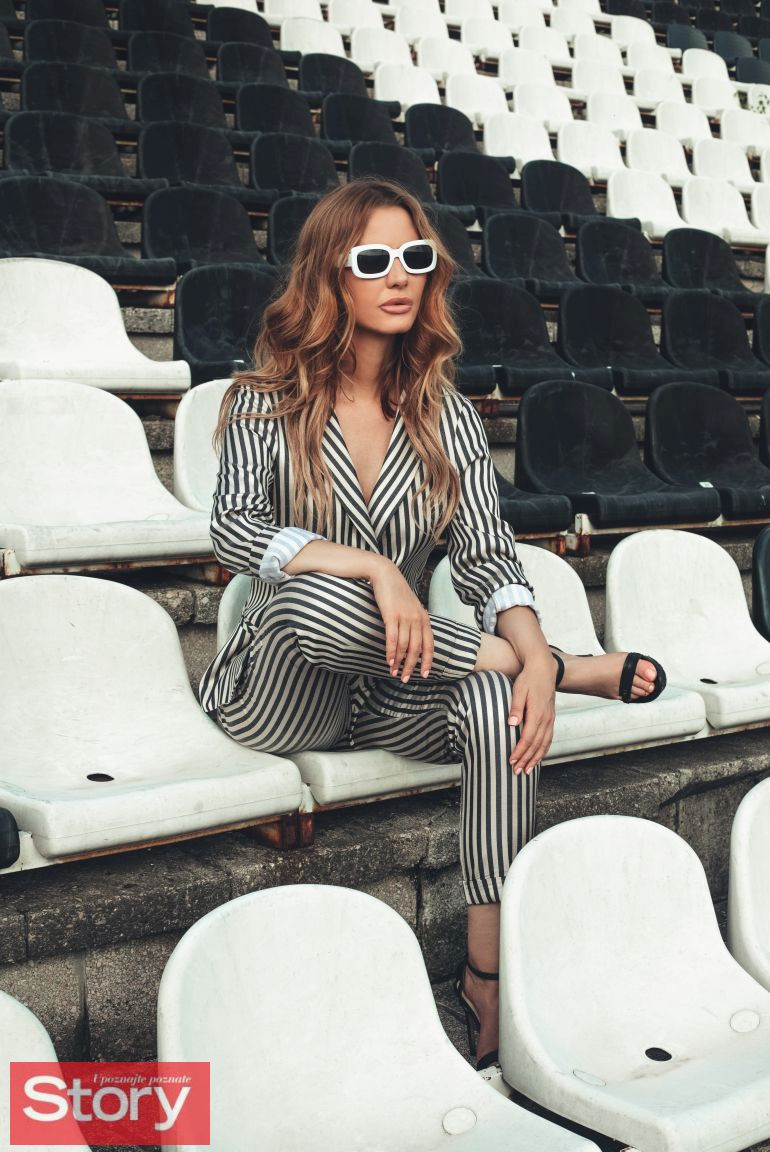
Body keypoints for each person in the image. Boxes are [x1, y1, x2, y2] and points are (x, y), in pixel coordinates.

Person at [199, 177, 666, 1076]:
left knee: (495, 704)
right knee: (314, 594)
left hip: (394, 682)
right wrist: (375, 567)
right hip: (283, 689)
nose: (399, 276)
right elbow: (234, 533)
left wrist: (524, 652)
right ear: (331, 274)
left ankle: (487, 980)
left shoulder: (444, 413)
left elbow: (488, 554)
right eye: (373, 259)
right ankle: (566, 665)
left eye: (414, 257)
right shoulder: (264, 398)